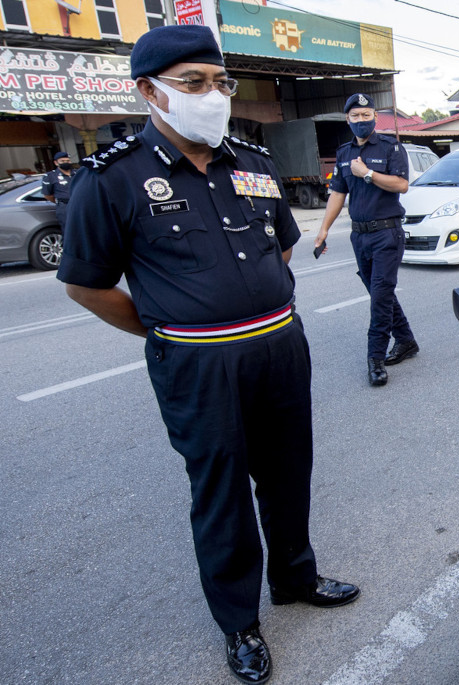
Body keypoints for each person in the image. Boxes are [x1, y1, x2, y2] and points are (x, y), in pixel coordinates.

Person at [55, 25, 359, 684]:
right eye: (193, 83)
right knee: (220, 492)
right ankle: (239, 622)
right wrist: (170, 329)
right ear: (150, 92)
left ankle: (296, 577)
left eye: (221, 82)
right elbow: (86, 283)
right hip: (197, 362)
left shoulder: (251, 160)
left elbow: (280, 243)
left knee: (287, 473)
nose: (213, 95)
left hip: (279, 346)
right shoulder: (112, 179)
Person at [314, 93, 418, 387]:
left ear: (375, 116)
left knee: (380, 297)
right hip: (359, 237)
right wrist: (323, 230)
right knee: (379, 293)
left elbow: (402, 184)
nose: (362, 120)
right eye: (355, 116)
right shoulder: (345, 153)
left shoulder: (390, 147)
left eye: (366, 115)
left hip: (387, 233)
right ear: (348, 120)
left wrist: (369, 173)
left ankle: (375, 359)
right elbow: (338, 193)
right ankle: (406, 340)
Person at [40, 151, 76, 228]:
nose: (66, 163)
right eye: (62, 161)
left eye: (68, 161)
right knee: (69, 230)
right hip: (65, 207)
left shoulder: (77, 173)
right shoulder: (50, 176)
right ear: (56, 163)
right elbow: (47, 195)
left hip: (81, 206)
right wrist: (62, 201)